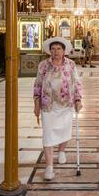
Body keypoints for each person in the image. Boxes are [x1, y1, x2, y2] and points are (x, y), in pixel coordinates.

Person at [33, 36, 83, 181]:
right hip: (48, 105)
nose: (55, 52)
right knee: (48, 134)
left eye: (59, 49)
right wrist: (36, 104)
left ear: (64, 50)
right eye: (53, 49)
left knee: (64, 130)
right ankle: (49, 167)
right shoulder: (43, 65)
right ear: (49, 51)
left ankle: (61, 151)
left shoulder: (71, 64)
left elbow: (77, 83)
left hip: (66, 105)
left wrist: (78, 99)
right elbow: (37, 85)